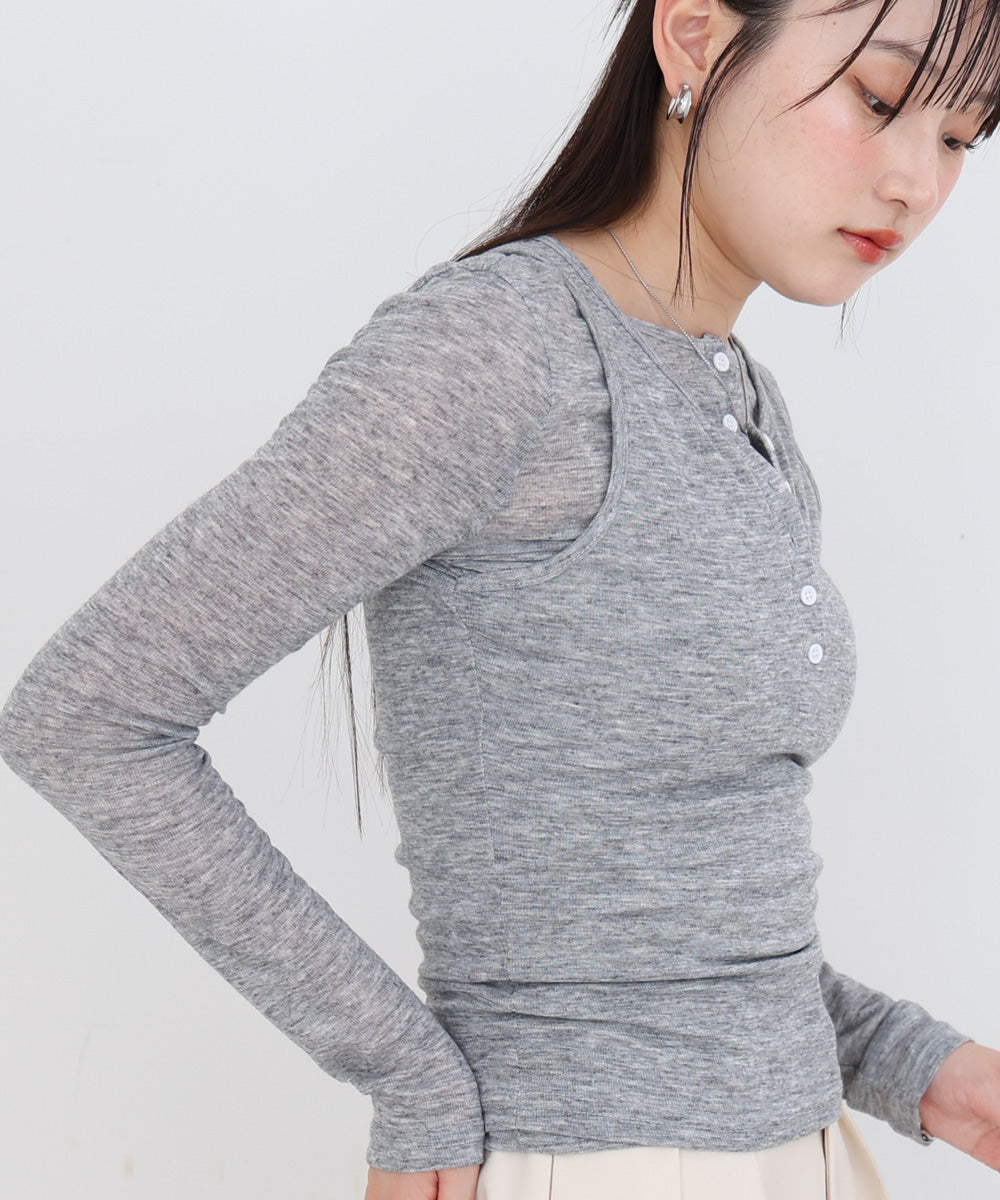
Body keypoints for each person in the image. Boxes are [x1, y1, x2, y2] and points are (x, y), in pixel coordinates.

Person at [2, 0, 1000, 1196]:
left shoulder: (740, 399)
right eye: (881, 99)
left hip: (803, 1157)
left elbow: (669, 929)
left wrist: (912, 1064)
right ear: (691, 38)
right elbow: (88, 715)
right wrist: (408, 1076)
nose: (915, 182)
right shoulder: (500, 348)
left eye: (962, 136)